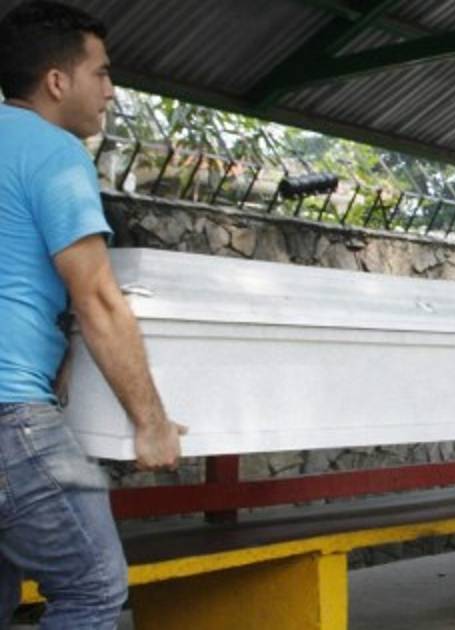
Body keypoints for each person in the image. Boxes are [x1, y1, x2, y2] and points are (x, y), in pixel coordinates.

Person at [0, 2, 185, 627]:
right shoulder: (53, 152)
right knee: (93, 587)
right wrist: (151, 423)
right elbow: (98, 297)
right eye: (101, 73)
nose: (110, 90)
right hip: (10, 414)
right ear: (57, 81)